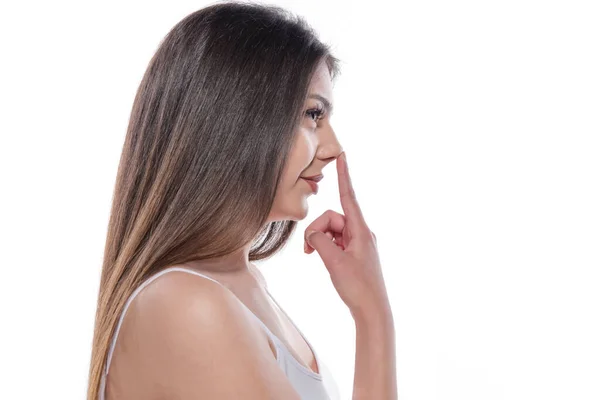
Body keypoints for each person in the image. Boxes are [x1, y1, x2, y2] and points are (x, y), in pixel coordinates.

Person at [87, 2, 396, 399]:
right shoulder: (187, 305)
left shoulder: (244, 286)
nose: (333, 148)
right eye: (313, 114)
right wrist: (374, 318)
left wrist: (373, 316)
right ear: (237, 116)